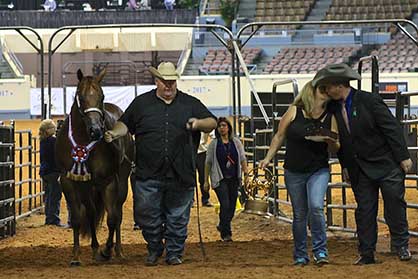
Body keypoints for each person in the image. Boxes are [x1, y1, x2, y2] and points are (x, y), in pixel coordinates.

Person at [104, 61, 216, 266]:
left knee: (178, 217)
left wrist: (198, 124)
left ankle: (174, 252)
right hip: (148, 172)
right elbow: (124, 124)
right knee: (146, 215)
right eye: (165, 82)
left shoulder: (190, 103)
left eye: (172, 82)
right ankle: (154, 247)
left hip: (181, 173)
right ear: (156, 81)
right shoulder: (141, 104)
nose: (169, 86)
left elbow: (212, 122)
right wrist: (114, 132)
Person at [313, 63, 413, 264]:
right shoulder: (332, 108)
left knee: (394, 205)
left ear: (339, 85)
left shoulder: (369, 100)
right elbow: (342, 141)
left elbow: (391, 128)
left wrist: (403, 156)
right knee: (365, 210)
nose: (325, 91)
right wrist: (345, 167)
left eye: (328, 87)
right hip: (360, 167)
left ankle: (401, 245)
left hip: (386, 163)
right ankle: (366, 252)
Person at [259, 81, 340, 266]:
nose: (326, 92)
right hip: (293, 170)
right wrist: (268, 158)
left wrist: (329, 140)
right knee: (300, 214)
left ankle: (320, 251)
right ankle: (300, 254)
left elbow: (336, 144)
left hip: (318, 168)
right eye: (322, 90)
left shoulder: (330, 116)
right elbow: (279, 136)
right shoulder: (294, 111)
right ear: (311, 93)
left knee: (316, 207)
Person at [204, 117, 248, 242]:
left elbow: (243, 158)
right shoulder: (213, 144)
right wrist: (206, 180)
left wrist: (246, 173)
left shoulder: (236, 142)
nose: (222, 128)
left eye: (224, 125)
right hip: (220, 178)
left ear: (229, 127)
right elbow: (208, 163)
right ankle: (226, 233)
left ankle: (222, 224)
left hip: (233, 178)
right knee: (225, 203)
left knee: (232, 205)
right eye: (220, 126)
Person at [39, 119, 64, 227]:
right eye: (52, 127)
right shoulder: (53, 141)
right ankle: (53, 219)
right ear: (48, 130)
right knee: (55, 195)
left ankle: (49, 217)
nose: (55, 129)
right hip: (53, 171)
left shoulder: (43, 140)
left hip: (45, 171)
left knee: (49, 195)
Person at [197, 132, 213, 207]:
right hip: (189, 151)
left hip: (202, 152)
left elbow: (213, 135)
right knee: (188, 177)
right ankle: (190, 201)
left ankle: (205, 199)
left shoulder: (204, 121)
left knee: (203, 177)